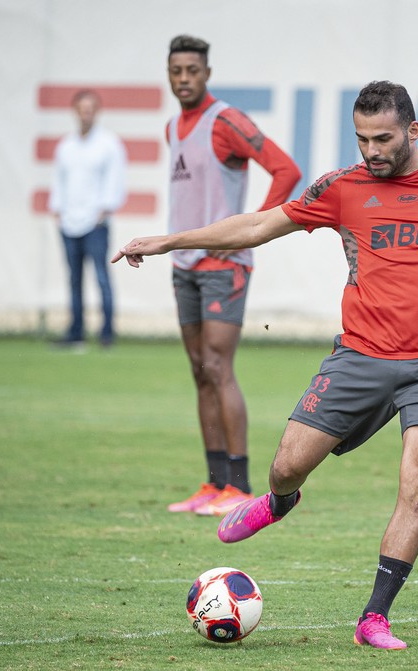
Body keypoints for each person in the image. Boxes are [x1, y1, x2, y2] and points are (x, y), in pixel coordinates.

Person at [112, 81, 418, 650]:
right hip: (361, 355)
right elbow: (260, 226)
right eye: (362, 139)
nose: (371, 151)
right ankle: (278, 501)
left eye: (383, 138)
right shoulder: (342, 186)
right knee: (287, 466)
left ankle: (374, 617)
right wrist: (170, 241)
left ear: (413, 131)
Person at [161, 35, 301, 517]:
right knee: (200, 370)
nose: (184, 79)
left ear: (207, 73)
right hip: (184, 263)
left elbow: (286, 169)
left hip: (224, 264)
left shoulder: (226, 121)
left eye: (192, 71)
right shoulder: (173, 128)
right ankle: (214, 481)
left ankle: (239, 486)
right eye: (176, 70)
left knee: (219, 367)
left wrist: (250, 231)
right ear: (169, 73)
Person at [48, 89, 127, 349]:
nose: (86, 114)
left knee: (101, 276)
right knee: (74, 278)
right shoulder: (65, 146)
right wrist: (58, 210)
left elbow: (115, 181)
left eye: (90, 109)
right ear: (75, 112)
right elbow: (59, 181)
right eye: (82, 109)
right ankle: (76, 332)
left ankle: (106, 334)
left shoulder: (108, 144)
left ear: (97, 113)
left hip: (96, 223)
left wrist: (104, 211)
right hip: (69, 222)